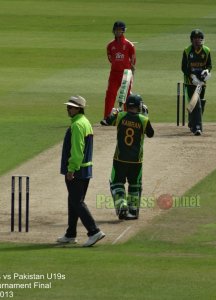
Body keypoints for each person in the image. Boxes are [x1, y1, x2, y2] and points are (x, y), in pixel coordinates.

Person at [57, 95, 105, 247]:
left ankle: (94, 231)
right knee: (73, 200)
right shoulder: (85, 122)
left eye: (70, 107)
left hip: (77, 170)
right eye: (68, 106)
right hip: (85, 169)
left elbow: (77, 150)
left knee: (77, 201)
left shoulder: (77, 125)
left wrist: (71, 169)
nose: (68, 109)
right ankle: (71, 234)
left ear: (78, 108)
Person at [105, 94, 154, 220]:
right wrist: (146, 116)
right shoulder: (143, 120)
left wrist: (114, 112)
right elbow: (151, 134)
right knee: (135, 185)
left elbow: (107, 121)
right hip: (136, 161)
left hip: (120, 159)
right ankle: (133, 211)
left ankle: (122, 204)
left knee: (116, 183)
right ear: (139, 106)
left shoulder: (120, 116)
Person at [100, 21, 136, 125]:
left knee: (126, 96)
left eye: (120, 30)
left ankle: (128, 118)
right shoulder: (110, 45)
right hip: (114, 73)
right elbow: (111, 59)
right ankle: (107, 118)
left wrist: (130, 72)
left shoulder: (129, 45)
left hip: (126, 73)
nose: (118, 32)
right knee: (110, 94)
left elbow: (133, 60)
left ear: (123, 31)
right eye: (116, 30)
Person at [181, 29, 212, 136]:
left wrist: (207, 71)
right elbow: (184, 67)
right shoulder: (187, 51)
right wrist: (192, 76)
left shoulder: (207, 51)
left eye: (199, 38)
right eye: (195, 38)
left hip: (202, 82)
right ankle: (197, 127)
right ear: (192, 40)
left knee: (200, 101)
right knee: (195, 103)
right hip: (190, 82)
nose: (198, 40)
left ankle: (192, 122)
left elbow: (209, 65)